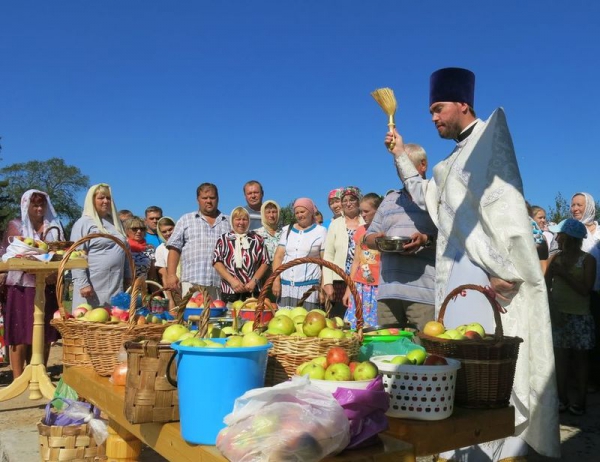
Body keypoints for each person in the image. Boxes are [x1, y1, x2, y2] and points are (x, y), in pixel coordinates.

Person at [384, 67, 559, 459]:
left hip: (495, 280)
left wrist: (504, 268)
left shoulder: (490, 142)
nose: (433, 118)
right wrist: (399, 153)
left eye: (438, 108)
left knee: (497, 367)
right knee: (464, 367)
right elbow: (429, 198)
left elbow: (506, 211)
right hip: (457, 283)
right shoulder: (449, 164)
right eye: (430, 111)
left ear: (463, 103)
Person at [364, 144, 437, 332]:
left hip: (423, 294)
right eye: (398, 166)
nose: (401, 171)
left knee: (424, 351)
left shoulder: (435, 197)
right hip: (388, 291)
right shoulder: (389, 199)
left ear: (423, 165)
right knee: (388, 351)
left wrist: (425, 240)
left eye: (405, 166)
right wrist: (377, 240)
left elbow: (450, 238)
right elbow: (368, 237)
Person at [0, 190, 63, 379]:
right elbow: (7, 253)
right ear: (26, 206)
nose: (38, 209)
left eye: (41, 205)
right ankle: (19, 377)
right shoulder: (16, 226)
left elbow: (61, 252)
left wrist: (54, 272)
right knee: (20, 333)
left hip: (46, 285)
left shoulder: (54, 228)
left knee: (44, 333)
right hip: (21, 285)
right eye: (34, 205)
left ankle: (39, 373)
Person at [545, 218, 596, 416]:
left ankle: (580, 402)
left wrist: (564, 274)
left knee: (580, 362)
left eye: (560, 234)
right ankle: (562, 400)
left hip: (580, 318)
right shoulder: (555, 258)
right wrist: (551, 311)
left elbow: (585, 290)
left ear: (570, 238)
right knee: (561, 361)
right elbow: (545, 287)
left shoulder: (588, 260)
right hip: (559, 316)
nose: (557, 237)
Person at [70, 184, 132, 308]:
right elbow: (75, 255)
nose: (105, 201)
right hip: (92, 285)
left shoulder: (115, 223)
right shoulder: (84, 223)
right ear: (92, 200)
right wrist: (83, 284)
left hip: (115, 284)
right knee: (90, 321)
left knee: (113, 321)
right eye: (101, 198)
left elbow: (125, 251)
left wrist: (128, 276)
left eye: (108, 198)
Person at [165, 183, 230, 299]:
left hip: (220, 284)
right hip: (192, 282)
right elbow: (174, 248)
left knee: (218, 316)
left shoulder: (228, 222)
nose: (208, 201)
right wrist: (171, 275)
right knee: (192, 316)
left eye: (212, 198)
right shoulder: (186, 220)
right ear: (198, 200)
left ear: (218, 199)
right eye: (204, 198)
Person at [271, 198, 327, 310]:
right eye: (297, 212)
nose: (299, 215)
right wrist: (276, 280)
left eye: (302, 212)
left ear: (311, 212)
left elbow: (325, 263)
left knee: (307, 323)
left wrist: (323, 288)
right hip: (286, 286)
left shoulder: (321, 231)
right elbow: (278, 256)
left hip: (309, 287)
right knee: (284, 322)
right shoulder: (287, 230)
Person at [570, 192, 600, 392]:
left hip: (598, 292)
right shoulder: (572, 230)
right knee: (581, 340)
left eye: (579, 204)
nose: (575, 208)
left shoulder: (599, 230)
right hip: (578, 292)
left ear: (589, 206)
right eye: (572, 205)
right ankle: (582, 381)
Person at [323, 186, 365, 318]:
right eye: (345, 200)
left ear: (359, 201)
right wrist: (328, 282)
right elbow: (328, 254)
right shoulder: (335, 224)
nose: (348, 203)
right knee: (339, 319)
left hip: (362, 280)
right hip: (339, 281)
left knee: (361, 317)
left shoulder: (366, 222)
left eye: (352, 199)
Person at [212, 207, 270, 303]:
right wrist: (232, 281)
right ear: (232, 220)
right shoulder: (223, 239)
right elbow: (217, 262)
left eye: (244, 219)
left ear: (248, 221)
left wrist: (253, 282)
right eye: (238, 219)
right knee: (231, 317)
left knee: (252, 317)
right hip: (230, 290)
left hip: (252, 290)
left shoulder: (257, 239)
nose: (241, 223)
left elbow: (265, 262)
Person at [342, 193, 382, 328]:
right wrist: (349, 289)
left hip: (378, 286)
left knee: (374, 327)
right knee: (355, 324)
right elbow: (356, 262)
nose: (363, 215)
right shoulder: (360, 231)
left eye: (366, 211)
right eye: (361, 211)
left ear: (378, 211)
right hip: (360, 286)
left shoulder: (384, 231)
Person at [154, 216, 177, 310]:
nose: (168, 233)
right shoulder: (161, 249)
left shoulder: (186, 244)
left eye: (170, 229)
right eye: (164, 231)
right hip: (175, 289)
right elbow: (164, 276)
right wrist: (170, 300)